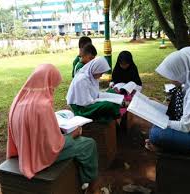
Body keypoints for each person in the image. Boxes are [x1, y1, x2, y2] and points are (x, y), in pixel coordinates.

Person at [7, 64, 99, 194]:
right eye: (53, 86)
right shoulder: (42, 106)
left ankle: (82, 180)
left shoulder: (18, 99)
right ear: (48, 83)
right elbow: (53, 147)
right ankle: (92, 187)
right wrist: (73, 135)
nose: (53, 90)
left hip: (24, 150)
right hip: (39, 156)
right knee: (89, 144)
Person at [67, 57, 121, 122]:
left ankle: (115, 113)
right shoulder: (82, 80)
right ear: (96, 69)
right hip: (81, 108)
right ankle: (115, 118)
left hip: (89, 100)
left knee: (112, 92)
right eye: (100, 73)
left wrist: (104, 97)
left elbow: (95, 93)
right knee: (108, 104)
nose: (101, 76)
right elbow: (86, 103)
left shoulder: (91, 75)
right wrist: (103, 100)